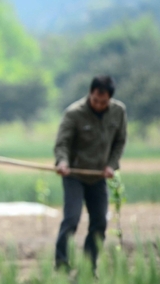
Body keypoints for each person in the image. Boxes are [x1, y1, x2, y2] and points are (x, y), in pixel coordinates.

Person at [54, 75, 127, 271]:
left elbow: (120, 141)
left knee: (100, 222)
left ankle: (88, 268)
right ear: (90, 94)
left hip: (98, 177)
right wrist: (62, 162)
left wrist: (112, 164)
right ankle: (61, 266)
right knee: (71, 219)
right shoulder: (74, 113)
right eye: (95, 100)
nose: (98, 105)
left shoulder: (118, 112)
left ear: (109, 99)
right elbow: (62, 143)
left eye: (103, 102)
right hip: (74, 176)